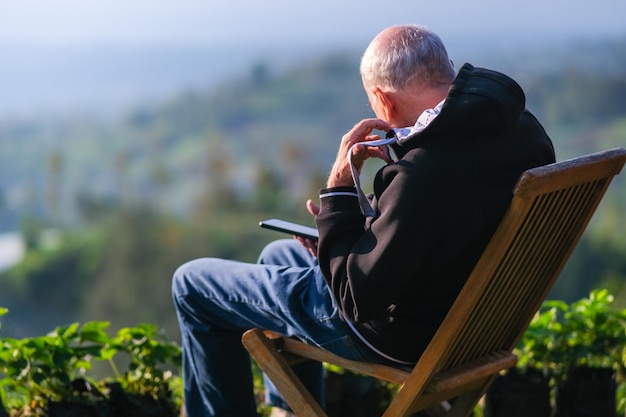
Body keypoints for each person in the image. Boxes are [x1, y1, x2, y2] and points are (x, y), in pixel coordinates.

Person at [172, 24, 556, 417]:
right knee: (278, 253)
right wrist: (338, 237)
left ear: (382, 100)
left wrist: (339, 184)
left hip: (399, 334)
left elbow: (355, 299)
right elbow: (442, 220)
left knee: (191, 283)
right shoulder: (522, 130)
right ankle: (291, 411)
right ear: (448, 70)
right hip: (471, 326)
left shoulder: (424, 172)